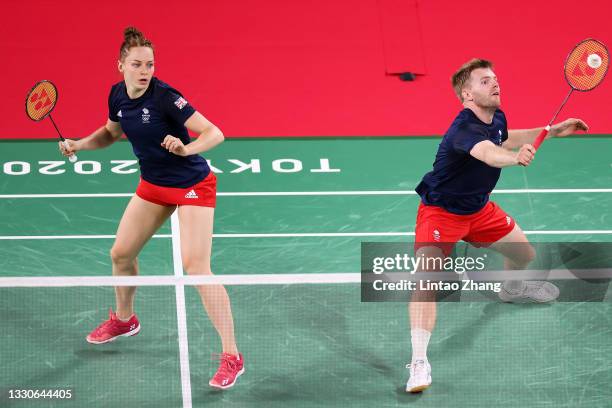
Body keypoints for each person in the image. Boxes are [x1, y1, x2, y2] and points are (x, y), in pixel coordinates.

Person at [59, 27, 244, 390]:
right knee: (121, 254)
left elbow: (214, 133)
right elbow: (112, 133)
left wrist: (185, 150)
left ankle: (232, 356)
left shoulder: (165, 98)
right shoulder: (117, 95)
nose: (145, 71)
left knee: (197, 268)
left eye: (150, 64)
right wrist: (78, 144)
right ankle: (125, 319)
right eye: (137, 64)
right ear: (121, 66)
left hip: (192, 185)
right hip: (154, 185)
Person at [405, 58, 588, 393]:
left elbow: (504, 138)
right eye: (485, 80)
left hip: (479, 210)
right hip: (441, 214)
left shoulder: (496, 117)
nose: (494, 83)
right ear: (467, 93)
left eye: (495, 78)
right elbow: (490, 154)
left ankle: (512, 289)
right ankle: (419, 363)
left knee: (524, 255)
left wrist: (553, 130)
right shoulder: (464, 129)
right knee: (426, 283)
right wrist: (514, 158)